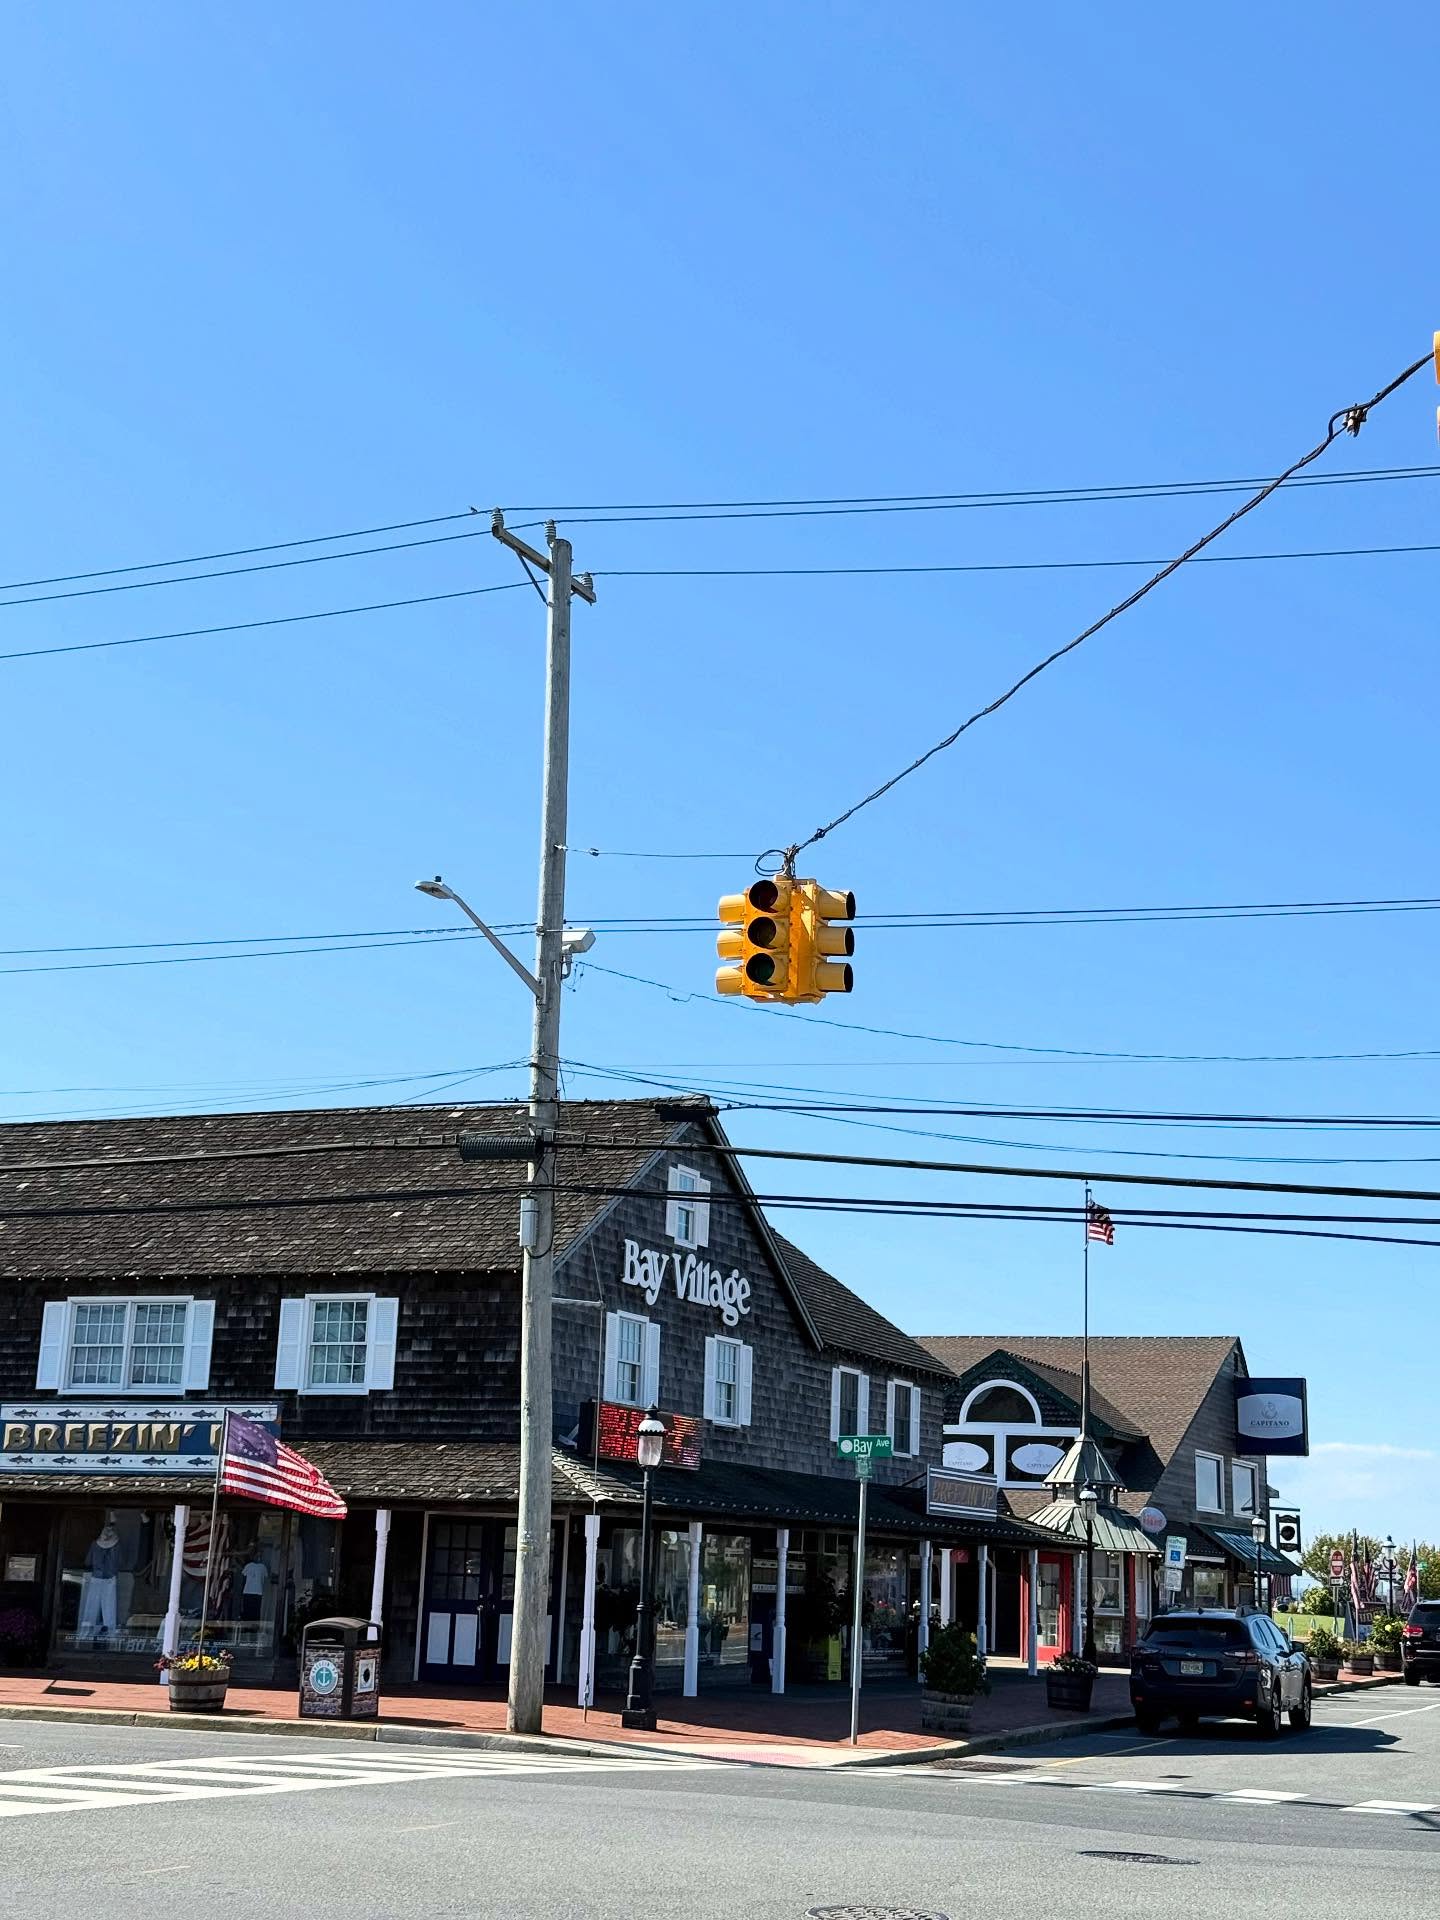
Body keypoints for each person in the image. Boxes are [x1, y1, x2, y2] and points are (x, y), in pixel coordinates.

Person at [78, 1523, 121, 1644]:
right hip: (109, 1578)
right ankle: (111, 1635)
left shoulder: (95, 1544)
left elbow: (88, 1561)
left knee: (91, 1607)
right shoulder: (116, 1546)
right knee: (109, 1609)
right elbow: (119, 1563)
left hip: (96, 1577)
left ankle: (85, 1634)